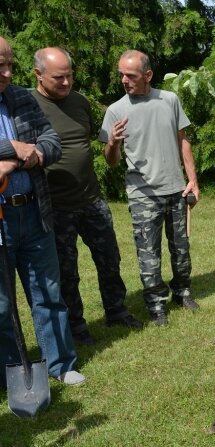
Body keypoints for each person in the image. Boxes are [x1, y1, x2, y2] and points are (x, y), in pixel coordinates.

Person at [32, 47, 143, 345]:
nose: (67, 83)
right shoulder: (29, 106)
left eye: (69, 75)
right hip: (56, 206)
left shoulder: (79, 102)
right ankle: (77, 327)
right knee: (67, 272)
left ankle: (117, 311)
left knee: (109, 258)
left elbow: (94, 143)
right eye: (59, 78)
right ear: (38, 75)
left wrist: (113, 145)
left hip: (91, 198)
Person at [0, 36, 85, 387]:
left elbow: (51, 142)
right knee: (2, 305)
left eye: (9, 64)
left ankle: (60, 364)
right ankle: (10, 373)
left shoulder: (21, 97)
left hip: (34, 212)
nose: (7, 72)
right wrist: (13, 146)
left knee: (48, 293)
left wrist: (22, 156)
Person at [98, 50, 200, 326]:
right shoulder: (116, 110)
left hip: (176, 189)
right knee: (148, 254)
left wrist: (192, 179)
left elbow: (183, 140)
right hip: (142, 195)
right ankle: (156, 305)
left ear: (148, 75)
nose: (124, 80)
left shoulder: (169, 100)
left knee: (181, 248)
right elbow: (111, 162)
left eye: (130, 75)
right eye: (121, 74)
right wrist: (113, 143)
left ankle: (182, 292)